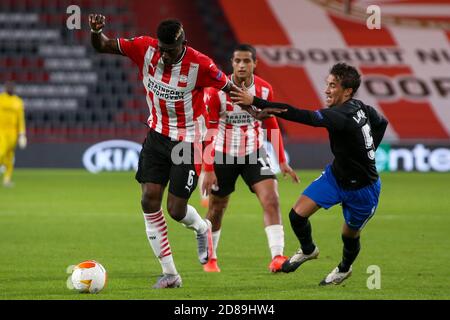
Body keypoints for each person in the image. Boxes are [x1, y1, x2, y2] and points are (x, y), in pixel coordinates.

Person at [89, 14, 238, 289]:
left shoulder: (201, 63)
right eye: (162, 49)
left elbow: (228, 87)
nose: (165, 55)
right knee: (148, 200)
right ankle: (170, 274)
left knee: (176, 209)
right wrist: (96, 31)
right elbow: (103, 46)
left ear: (182, 44)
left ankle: (202, 228)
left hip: (187, 141)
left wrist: (255, 106)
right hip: (157, 136)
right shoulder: (145, 48)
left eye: (170, 50)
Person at [231, 62, 388, 285]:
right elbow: (382, 122)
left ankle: (343, 269)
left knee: (349, 235)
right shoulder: (360, 106)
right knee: (297, 215)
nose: (326, 90)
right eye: (328, 84)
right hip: (336, 177)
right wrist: (371, 149)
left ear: (347, 91)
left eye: (333, 86)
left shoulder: (340, 116)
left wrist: (255, 101)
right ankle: (308, 250)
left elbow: (299, 115)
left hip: (363, 189)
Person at [201, 44, 299, 273]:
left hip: (254, 153)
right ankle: (211, 258)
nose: (242, 65)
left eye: (247, 61)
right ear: (232, 63)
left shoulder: (264, 90)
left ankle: (277, 256)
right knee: (217, 207)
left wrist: (282, 160)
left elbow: (272, 124)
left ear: (255, 63)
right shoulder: (217, 91)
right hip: (223, 155)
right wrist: (208, 167)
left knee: (272, 200)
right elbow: (210, 130)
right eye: (238, 61)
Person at [0, 81, 27, 187]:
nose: (10, 88)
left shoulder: (18, 102)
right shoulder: (1, 99)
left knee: (10, 157)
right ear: (5, 88)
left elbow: (21, 119)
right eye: (8, 87)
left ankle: (7, 179)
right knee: (1, 152)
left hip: (13, 133)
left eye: (12, 87)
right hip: (1, 131)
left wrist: (22, 134)